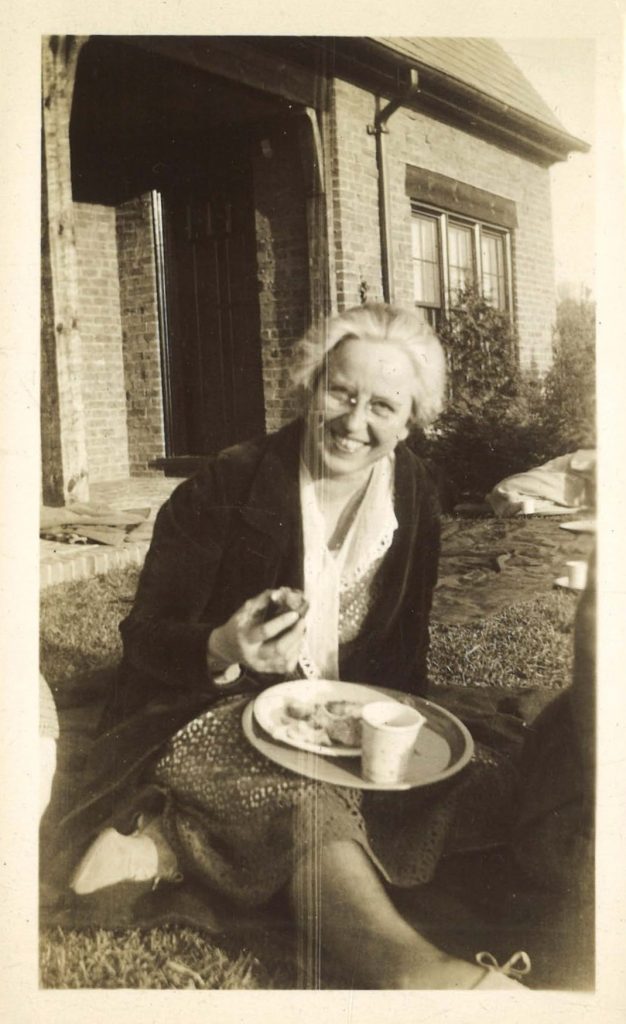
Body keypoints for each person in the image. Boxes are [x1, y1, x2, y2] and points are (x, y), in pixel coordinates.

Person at [52, 304, 528, 990]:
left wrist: (400, 737)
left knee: (477, 777)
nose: (354, 421)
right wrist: (221, 644)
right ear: (312, 385)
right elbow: (144, 637)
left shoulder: (416, 492)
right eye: (342, 391)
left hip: (338, 721)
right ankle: (410, 971)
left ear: (410, 419)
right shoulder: (228, 482)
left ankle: (172, 845)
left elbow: (404, 646)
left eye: (383, 406)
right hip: (206, 711)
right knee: (306, 796)